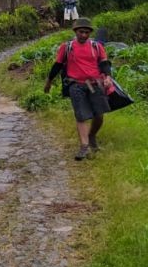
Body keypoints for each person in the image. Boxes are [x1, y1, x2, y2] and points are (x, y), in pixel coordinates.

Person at [43, 18, 112, 160]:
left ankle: (92, 135)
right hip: (76, 85)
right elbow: (57, 65)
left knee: (99, 115)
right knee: (81, 115)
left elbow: (104, 63)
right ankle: (84, 146)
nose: (84, 35)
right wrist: (49, 82)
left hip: (94, 84)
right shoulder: (67, 47)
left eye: (87, 32)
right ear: (75, 32)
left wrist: (108, 77)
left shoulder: (96, 47)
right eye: (81, 32)